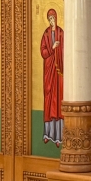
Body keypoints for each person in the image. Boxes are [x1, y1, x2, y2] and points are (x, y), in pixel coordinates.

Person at [40, 9, 64, 147]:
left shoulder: (61, 33)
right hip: (49, 72)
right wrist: (52, 48)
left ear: (56, 18)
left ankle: (58, 136)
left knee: (58, 101)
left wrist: (59, 50)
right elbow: (43, 52)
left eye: (53, 18)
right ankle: (48, 134)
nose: (51, 21)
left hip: (58, 72)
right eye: (49, 19)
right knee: (49, 102)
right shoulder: (46, 34)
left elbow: (66, 49)